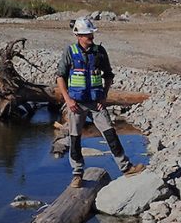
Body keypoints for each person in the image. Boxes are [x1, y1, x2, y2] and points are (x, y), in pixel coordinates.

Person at [56, 17, 145, 188]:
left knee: (110, 134)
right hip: (76, 103)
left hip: (97, 103)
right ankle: (77, 175)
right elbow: (60, 77)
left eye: (91, 34)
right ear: (78, 35)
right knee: (75, 139)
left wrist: (104, 96)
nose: (91, 37)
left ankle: (126, 168)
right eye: (87, 34)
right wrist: (68, 100)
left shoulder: (99, 51)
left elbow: (108, 75)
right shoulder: (70, 51)